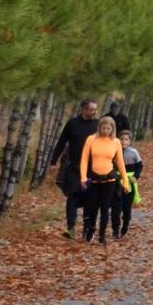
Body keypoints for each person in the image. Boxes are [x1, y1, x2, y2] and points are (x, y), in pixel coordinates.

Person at [51, 99, 99, 239]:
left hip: (92, 168)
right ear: (83, 109)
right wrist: (53, 161)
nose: (94, 112)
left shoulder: (97, 125)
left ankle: (86, 229)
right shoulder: (72, 124)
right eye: (91, 109)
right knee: (72, 195)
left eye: (95, 109)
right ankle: (70, 228)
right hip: (74, 166)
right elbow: (61, 141)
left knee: (89, 197)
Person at [80, 117, 130, 244]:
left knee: (105, 207)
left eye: (108, 128)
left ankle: (102, 235)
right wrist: (83, 177)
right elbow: (84, 159)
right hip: (94, 179)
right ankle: (91, 228)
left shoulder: (116, 142)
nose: (105, 130)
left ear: (112, 129)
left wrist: (125, 180)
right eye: (103, 128)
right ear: (99, 127)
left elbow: (120, 162)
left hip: (109, 179)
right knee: (92, 206)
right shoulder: (91, 139)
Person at [111, 129, 143, 239]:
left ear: (130, 141)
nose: (124, 141)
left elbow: (139, 166)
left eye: (126, 139)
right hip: (117, 181)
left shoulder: (134, 152)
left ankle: (125, 225)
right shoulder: (114, 151)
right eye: (122, 139)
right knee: (116, 206)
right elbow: (111, 165)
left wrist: (136, 176)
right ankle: (115, 229)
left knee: (126, 207)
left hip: (129, 182)